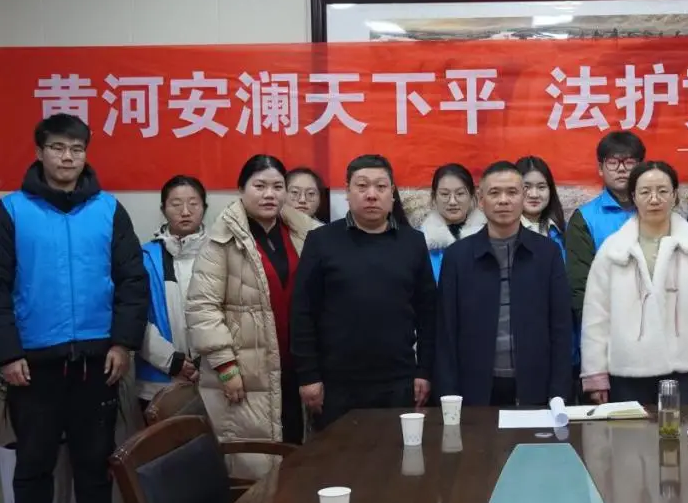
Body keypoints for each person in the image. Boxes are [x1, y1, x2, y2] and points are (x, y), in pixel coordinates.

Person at [0, 113, 147, 503]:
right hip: (32, 364)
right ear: (39, 152)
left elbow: (132, 281)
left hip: (97, 360)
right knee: (33, 461)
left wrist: (122, 344)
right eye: (58, 148)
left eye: (77, 149)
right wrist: (7, 353)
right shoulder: (12, 210)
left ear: (86, 154)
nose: (67, 157)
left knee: (95, 459)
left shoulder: (108, 210)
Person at [186, 155, 320, 475]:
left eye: (277, 186)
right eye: (259, 186)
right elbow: (202, 307)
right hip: (247, 370)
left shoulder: (304, 233)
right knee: (258, 462)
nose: (269, 194)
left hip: (295, 364)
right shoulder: (221, 239)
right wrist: (225, 366)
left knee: (298, 450)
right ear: (241, 189)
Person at [292, 155, 437, 430]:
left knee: (396, 454)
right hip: (336, 384)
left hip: (399, 382)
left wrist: (424, 371)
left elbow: (428, 313)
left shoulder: (413, 242)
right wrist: (308, 376)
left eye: (381, 187)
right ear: (347, 192)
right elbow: (303, 313)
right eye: (362, 186)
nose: (371, 194)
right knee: (338, 455)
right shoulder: (321, 241)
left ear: (392, 194)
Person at [580, 161, 688, 406]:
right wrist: (595, 373)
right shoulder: (614, 249)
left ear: (674, 195)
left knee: (682, 431)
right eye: (645, 192)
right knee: (629, 433)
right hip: (626, 373)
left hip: (684, 372)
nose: (654, 199)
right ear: (633, 197)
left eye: (662, 191)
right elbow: (597, 316)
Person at [435, 161, 572, 406]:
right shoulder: (457, 256)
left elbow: (561, 327)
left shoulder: (547, 253)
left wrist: (559, 390)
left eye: (512, 192)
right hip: (474, 387)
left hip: (535, 386)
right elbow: (445, 332)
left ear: (523, 197)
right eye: (494, 193)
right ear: (481, 200)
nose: (503, 200)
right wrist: (447, 393)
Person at [565, 131, 645, 390]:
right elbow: (580, 289)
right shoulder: (585, 218)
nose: (621, 169)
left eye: (629, 162)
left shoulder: (656, 212)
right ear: (600, 168)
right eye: (613, 162)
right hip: (608, 344)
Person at [136, 175, 209, 410]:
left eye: (193, 204)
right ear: (163, 209)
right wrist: (171, 361)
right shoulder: (143, 257)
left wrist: (207, 361)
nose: (185, 212)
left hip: (213, 377)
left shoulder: (220, 253)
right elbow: (134, 316)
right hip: (156, 382)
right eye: (176, 204)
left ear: (204, 208)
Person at [421, 163, 485, 281]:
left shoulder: (487, 237)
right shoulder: (420, 241)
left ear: (472, 196)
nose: (452, 202)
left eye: (460, 194)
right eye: (445, 194)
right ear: (434, 197)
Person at [516, 155, 566, 257]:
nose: (534, 195)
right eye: (526, 187)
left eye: (541, 187)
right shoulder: (504, 232)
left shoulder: (563, 230)